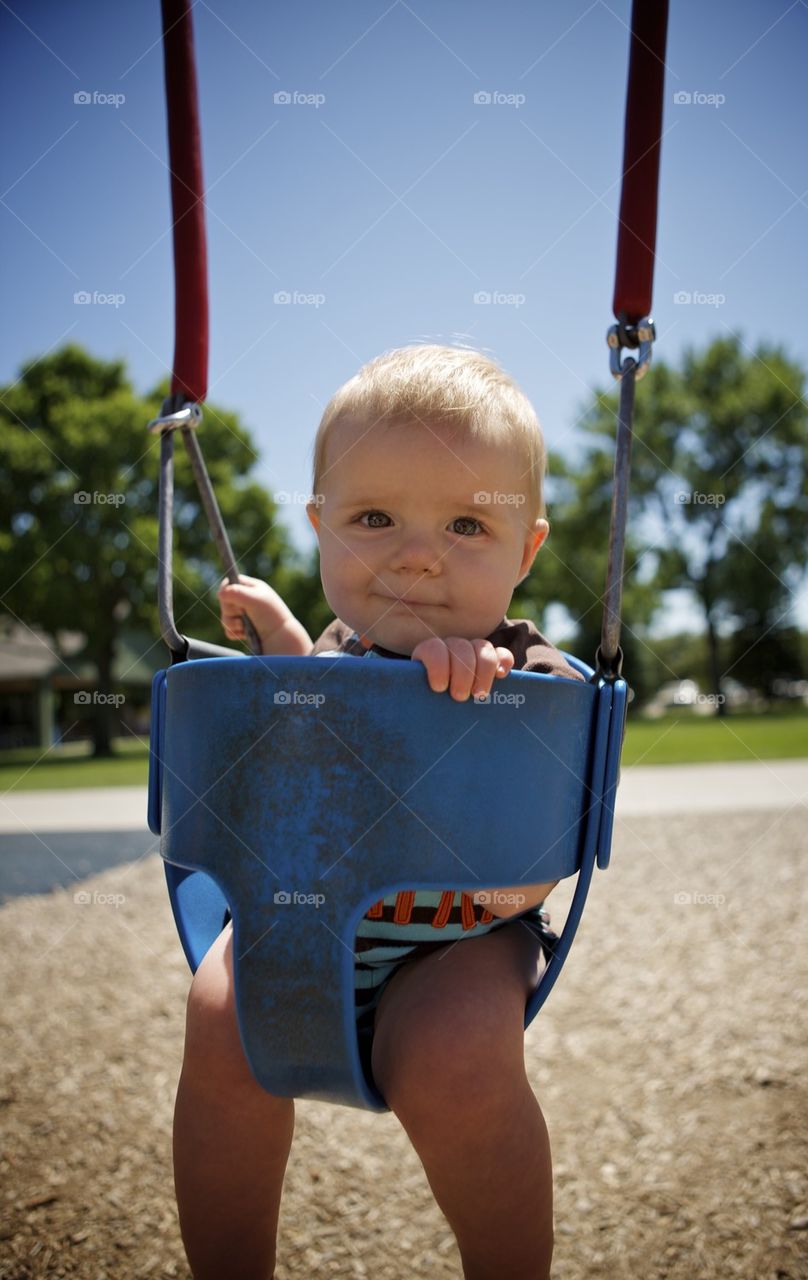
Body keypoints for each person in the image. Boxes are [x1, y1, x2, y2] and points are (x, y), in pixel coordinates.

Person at [173, 344, 583, 1280]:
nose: (414, 552)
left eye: (468, 525)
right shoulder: (334, 651)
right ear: (320, 529)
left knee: (458, 1060)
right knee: (216, 1017)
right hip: (296, 924)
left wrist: (492, 704)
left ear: (526, 550)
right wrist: (281, 644)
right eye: (372, 517)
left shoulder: (528, 669)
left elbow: (539, 853)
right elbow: (296, 732)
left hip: (454, 944)